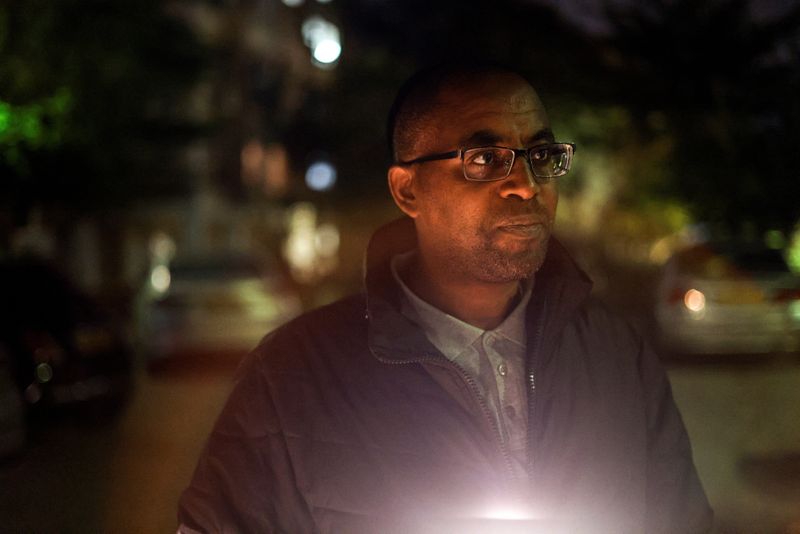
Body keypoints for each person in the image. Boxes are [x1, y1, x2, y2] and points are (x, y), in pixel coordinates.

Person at [178, 63, 713, 533]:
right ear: (407, 190)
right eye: (484, 159)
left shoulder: (618, 356)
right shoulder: (291, 376)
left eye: (541, 155)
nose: (526, 185)